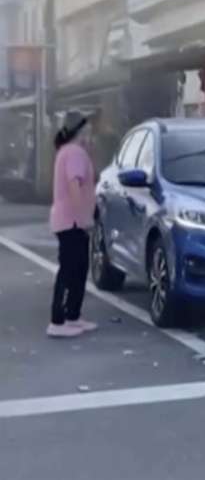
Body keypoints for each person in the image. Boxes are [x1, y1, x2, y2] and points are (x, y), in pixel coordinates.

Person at [47, 111, 98, 338]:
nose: (90, 132)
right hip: (72, 221)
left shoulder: (67, 151)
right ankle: (58, 321)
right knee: (70, 270)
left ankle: (73, 316)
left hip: (68, 220)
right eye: (86, 128)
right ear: (79, 130)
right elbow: (74, 184)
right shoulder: (75, 152)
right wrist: (84, 216)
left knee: (77, 269)